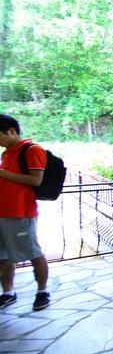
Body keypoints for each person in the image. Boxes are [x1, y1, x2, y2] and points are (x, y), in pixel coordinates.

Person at [0, 114, 51, 311]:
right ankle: (8, 292)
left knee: (33, 253)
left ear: (12, 131)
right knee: (3, 256)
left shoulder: (32, 150)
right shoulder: (7, 153)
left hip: (21, 212)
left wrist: (3, 174)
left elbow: (35, 180)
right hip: (3, 212)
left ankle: (43, 291)